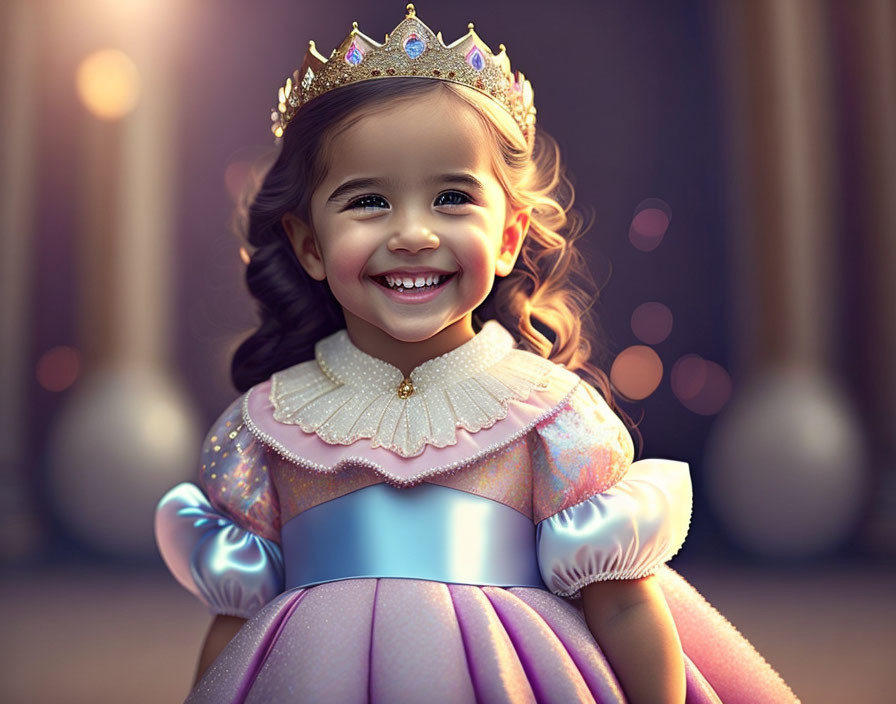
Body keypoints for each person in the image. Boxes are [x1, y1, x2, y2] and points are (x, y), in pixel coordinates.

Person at [155, 6, 799, 702]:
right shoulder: (268, 425)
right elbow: (234, 626)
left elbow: (620, 603)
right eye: (368, 200)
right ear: (310, 244)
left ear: (508, 236)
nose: (412, 234)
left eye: (452, 197)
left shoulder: (546, 413)